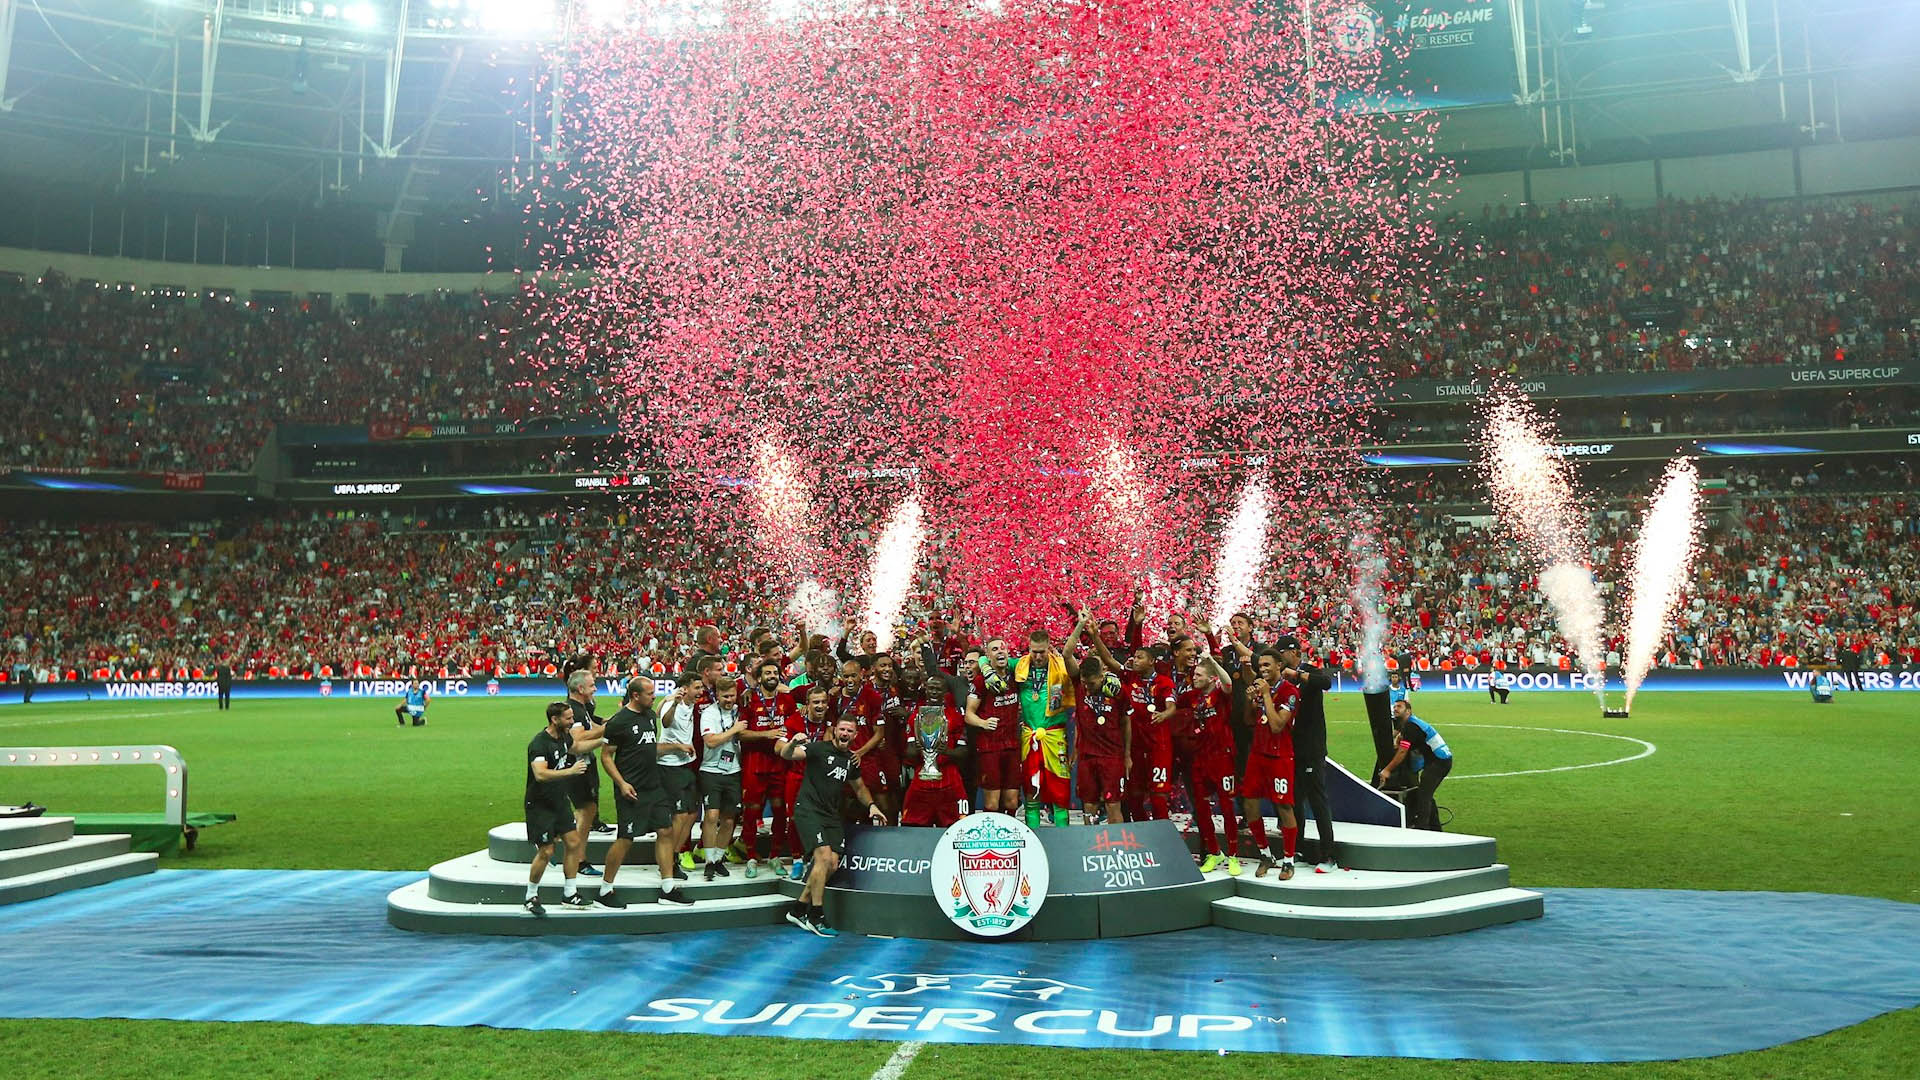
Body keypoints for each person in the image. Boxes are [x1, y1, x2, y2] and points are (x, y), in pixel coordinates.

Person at [777, 715, 887, 937]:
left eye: (850, 731)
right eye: (842, 729)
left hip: (831, 814)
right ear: (835, 731)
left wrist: (872, 806)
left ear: (855, 736)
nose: (845, 734)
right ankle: (816, 914)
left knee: (833, 864)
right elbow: (786, 754)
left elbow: (859, 788)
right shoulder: (818, 749)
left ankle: (798, 909)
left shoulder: (850, 760)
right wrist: (793, 743)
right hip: (808, 810)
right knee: (823, 858)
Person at [596, 677, 688, 907]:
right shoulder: (619, 722)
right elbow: (606, 756)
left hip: (654, 786)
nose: (654, 696)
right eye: (649, 693)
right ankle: (605, 891)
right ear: (635, 695)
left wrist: (676, 746)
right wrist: (622, 784)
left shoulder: (648, 716)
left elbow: (648, 747)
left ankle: (667, 888)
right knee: (626, 839)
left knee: (666, 831)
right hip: (631, 789)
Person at [523, 700, 604, 915]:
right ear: (554, 719)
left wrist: (602, 740)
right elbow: (540, 774)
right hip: (540, 805)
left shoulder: (564, 737)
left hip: (559, 801)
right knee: (547, 851)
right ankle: (530, 896)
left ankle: (570, 893)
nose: (572, 722)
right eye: (568, 718)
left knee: (573, 842)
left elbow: (576, 747)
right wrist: (571, 772)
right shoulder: (539, 744)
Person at [1274, 634, 1338, 873]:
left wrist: (1298, 675)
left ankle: (1329, 855)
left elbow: (1326, 682)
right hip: (1291, 748)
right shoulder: (1279, 679)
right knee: (1294, 801)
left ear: (1294, 653)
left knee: (1317, 801)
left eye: (1282, 655)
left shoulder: (1309, 671)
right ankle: (1298, 849)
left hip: (1311, 748)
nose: (1280, 661)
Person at [1242, 650, 1301, 879]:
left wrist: (1265, 695)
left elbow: (1277, 726)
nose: (1262, 668)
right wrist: (1250, 702)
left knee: (1284, 806)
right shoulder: (1260, 689)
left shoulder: (1290, 692)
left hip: (1280, 756)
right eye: (1260, 665)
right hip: (1257, 754)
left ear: (1279, 665)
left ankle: (1288, 860)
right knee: (1250, 805)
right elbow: (1249, 721)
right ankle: (1265, 855)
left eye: (1267, 664)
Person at [738, 658, 795, 878]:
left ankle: (775, 856)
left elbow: (793, 725)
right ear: (759, 677)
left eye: (775, 673)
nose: (771, 676)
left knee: (781, 810)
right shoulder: (749, 698)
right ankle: (751, 856)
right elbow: (740, 733)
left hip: (780, 762)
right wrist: (766, 734)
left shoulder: (786, 700)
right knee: (751, 811)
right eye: (767, 673)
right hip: (755, 763)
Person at [1014, 626, 1076, 828]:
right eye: (1034, 651)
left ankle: (1063, 837)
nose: (1038, 656)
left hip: (1054, 736)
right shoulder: (1020, 666)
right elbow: (985, 659)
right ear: (1029, 648)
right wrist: (987, 670)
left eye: (1042, 651)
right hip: (1029, 737)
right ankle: (1033, 837)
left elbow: (1078, 672)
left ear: (1049, 648)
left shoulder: (1061, 667)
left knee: (1060, 790)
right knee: (1031, 790)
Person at [900, 674, 971, 828]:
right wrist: (919, 748)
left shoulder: (956, 717)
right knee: (912, 826)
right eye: (931, 688)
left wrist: (947, 751)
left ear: (945, 692)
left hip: (949, 778)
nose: (934, 692)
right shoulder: (915, 717)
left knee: (956, 828)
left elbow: (964, 752)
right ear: (925, 690)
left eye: (938, 689)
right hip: (922, 779)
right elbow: (909, 752)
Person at [1069, 647, 1129, 825]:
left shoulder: (1117, 691)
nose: (1087, 688)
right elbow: (1066, 654)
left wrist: (1126, 755)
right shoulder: (1079, 687)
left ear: (1102, 676)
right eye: (1085, 683)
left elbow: (1126, 722)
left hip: (1112, 757)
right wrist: (1076, 749)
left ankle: (1117, 849)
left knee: (1113, 806)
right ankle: (1091, 847)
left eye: (1092, 684)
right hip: (1087, 757)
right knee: (1089, 807)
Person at [696, 679, 748, 880]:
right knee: (711, 816)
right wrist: (734, 730)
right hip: (711, 770)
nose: (729, 700)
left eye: (732, 696)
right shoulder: (709, 713)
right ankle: (709, 860)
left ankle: (718, 859)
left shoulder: (740, 711)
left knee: (729, 819)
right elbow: (710, 741)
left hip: (733, 771)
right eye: (725, 696)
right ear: (717, 695)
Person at [966, 637, 1023, 817]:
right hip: (990, 748)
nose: (1000, 651)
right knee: (991, 803)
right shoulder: (980, 682)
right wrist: (983, 723)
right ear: (988, 657)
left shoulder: (1016, 677)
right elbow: (968, 715)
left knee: (1012, 801)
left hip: (1012, 746)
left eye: (1003, 648)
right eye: (995, 649)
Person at [654, 673, 704, 876]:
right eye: (697, 688)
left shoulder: (691, 704)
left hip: (686, 764)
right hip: (669, 766)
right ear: (684, 689)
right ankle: (666, 863)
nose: (701, 692)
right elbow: (665, 722)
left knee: (692, 813)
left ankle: (673, 855)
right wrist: (673, 703)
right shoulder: (672, 703)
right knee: (680, 814)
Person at [1378, 699, 1453, 831]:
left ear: (1408, 711)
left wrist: (1387, 770)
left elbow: (1402, 752)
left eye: (1399, 707)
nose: (1395, 709)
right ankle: (1435, 828)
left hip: (1439, 762)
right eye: (1394, 706)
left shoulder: (1411, 726)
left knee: (1423, 796)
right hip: (1439, 760)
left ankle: (1422, 829)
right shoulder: (1411, 723)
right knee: (1426, 793)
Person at [563, 670, 610, 874]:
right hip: (578, 767)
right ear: (580, 689)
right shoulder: (574, 710)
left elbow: (591, 727)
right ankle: (578, 859)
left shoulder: (580, 708)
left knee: (588, 810)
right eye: (592, 686)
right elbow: (578, 739)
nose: (595, 689)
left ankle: (576, 854)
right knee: (586, 810)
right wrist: (607, 730)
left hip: (584, 765)